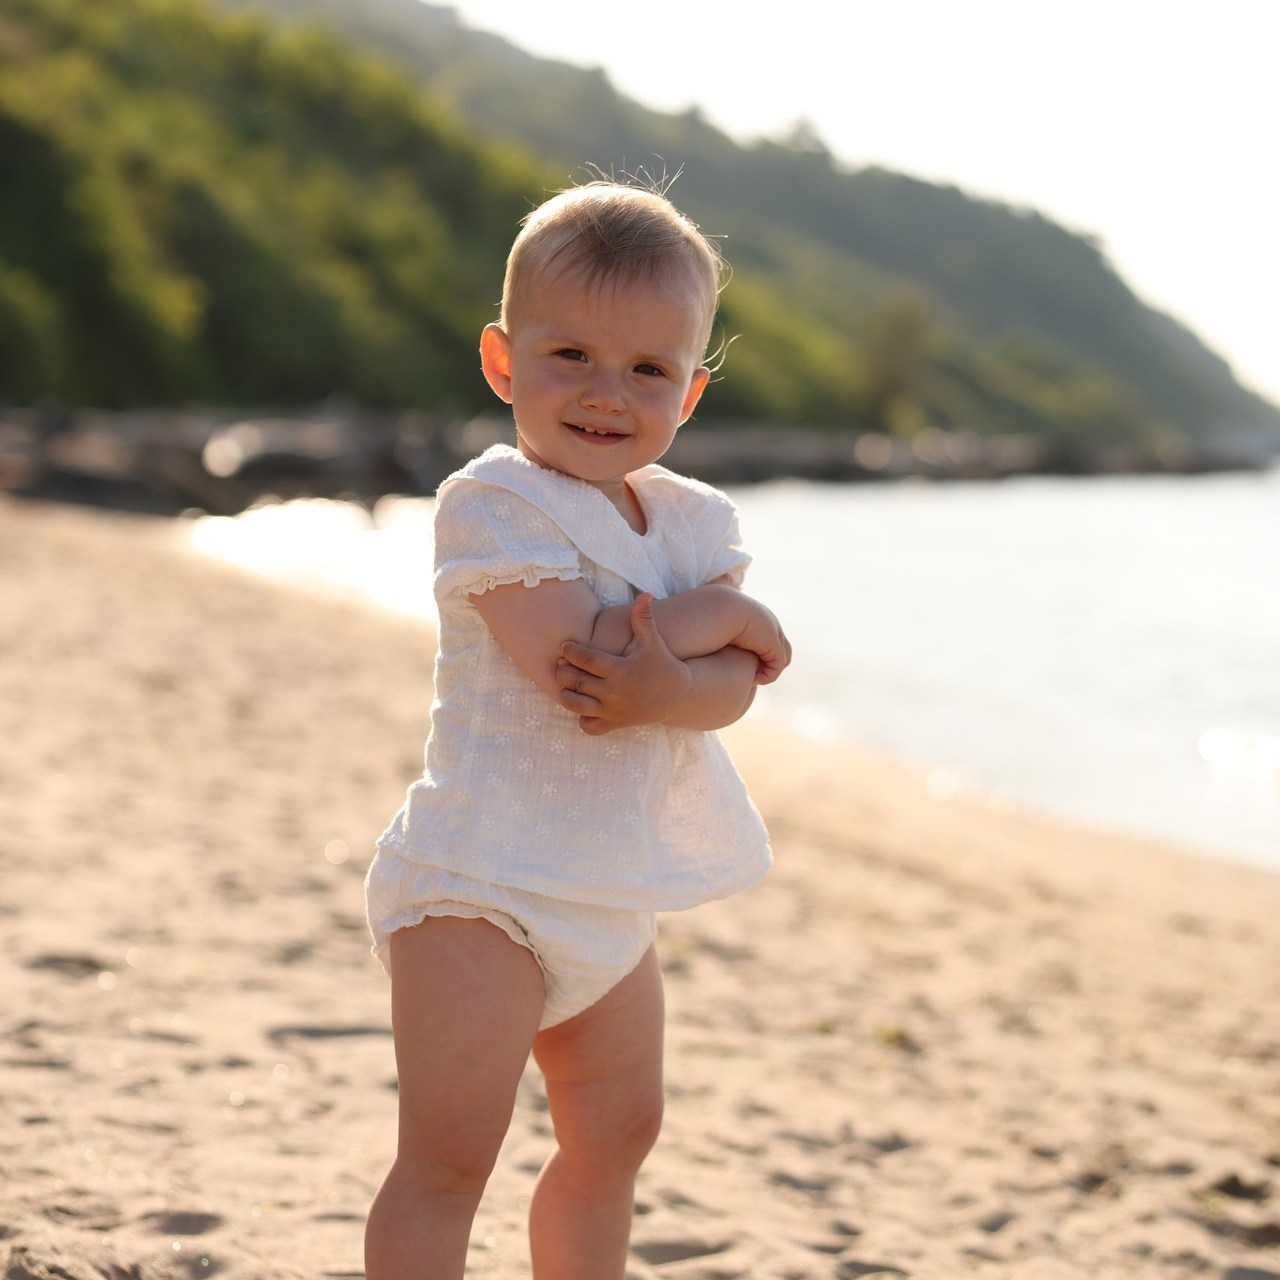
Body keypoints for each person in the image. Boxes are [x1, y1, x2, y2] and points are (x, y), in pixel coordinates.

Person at [363, 178, 791, 1279]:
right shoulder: (494, 499)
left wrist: (682, 679)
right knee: (451, 1152)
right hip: (480, 882)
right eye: (571, 358)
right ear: (504, 362)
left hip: (609, 890)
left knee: (616, 1134)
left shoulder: (694, 520)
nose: (608, 393)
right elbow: (583, 661)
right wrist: (723, 620)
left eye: (647, 369)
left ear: (688, 393)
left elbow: (723, 693)